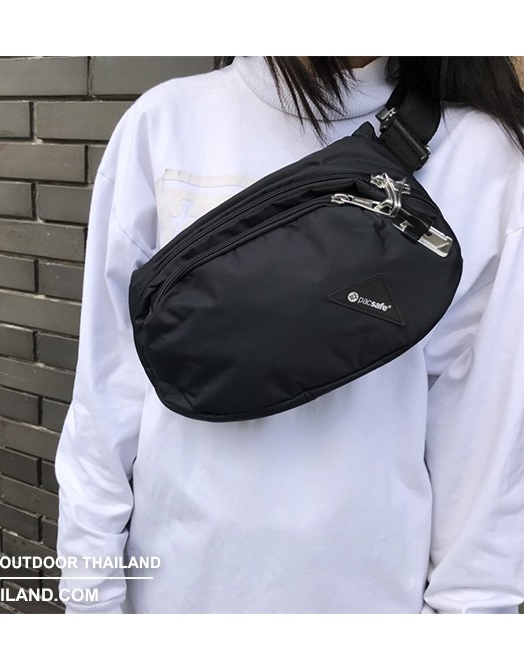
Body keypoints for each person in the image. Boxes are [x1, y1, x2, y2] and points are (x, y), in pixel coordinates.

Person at [55, 57, 524, 614]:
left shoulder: (483, 159)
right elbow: (105, 402)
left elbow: (486, 461)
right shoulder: (164, 122)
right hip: (165, 594)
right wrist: (90, 600)